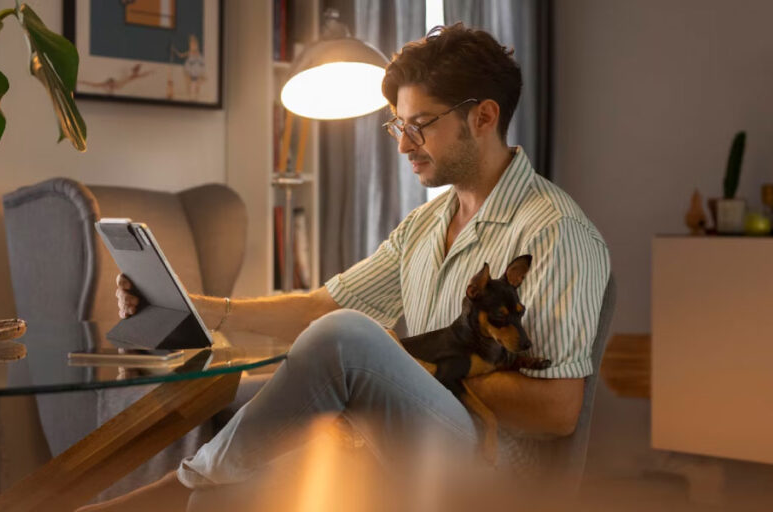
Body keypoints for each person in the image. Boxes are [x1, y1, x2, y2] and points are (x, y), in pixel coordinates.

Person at [83, 23, 609, 511]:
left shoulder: (555, 231)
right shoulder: (427, 225)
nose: (404, 144)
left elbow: (560, 411)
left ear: (484, 117)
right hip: (400, 443)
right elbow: (318, 308)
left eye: (420, 125)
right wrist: (193, 306)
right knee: (231, 487)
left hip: (495, 475)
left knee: (349, 338)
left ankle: (165, 495)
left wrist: (404, 365)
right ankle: (183, 493)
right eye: (398, 126)